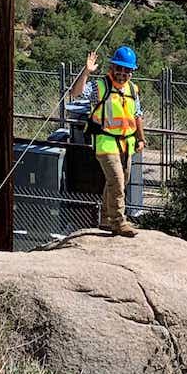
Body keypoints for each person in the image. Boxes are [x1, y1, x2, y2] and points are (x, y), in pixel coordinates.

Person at [71, 45, 145, 237]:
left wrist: (141, 138)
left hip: (126, 143)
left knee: (119, 182)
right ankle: (119, 222)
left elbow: (137, 115)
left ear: (131, 72)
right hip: (106, 142)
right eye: (119, 69)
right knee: (117, 181)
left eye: (127, 70)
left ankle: (105, 218)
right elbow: (76, 93)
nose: (122, 73)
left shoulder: (133, 89)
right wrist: (86, 72)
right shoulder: (100, 86)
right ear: (112, 68)